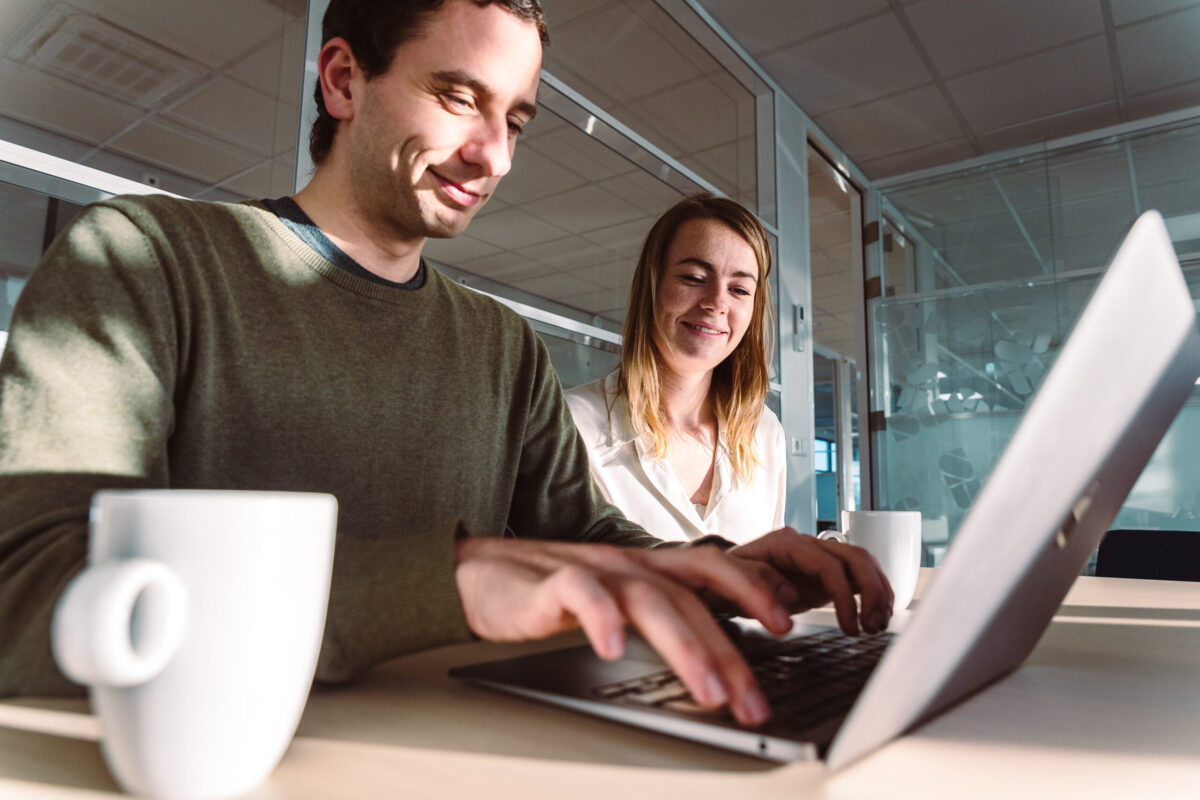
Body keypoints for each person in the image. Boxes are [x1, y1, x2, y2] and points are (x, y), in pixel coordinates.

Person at [0, 0, 892, 728]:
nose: (494, 155)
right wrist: (446, 582)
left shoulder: (501, 344)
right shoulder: (145, 257)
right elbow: (26, 597)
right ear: (343, 80)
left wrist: (719, 567)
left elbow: (589, 539)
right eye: (460, 98)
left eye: (515, 120)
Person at [567, 194, 783, 544]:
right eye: (694, 278)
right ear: (652, 287)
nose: (717, 302)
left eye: (740, 289)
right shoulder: (571, 424)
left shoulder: (765, 432)